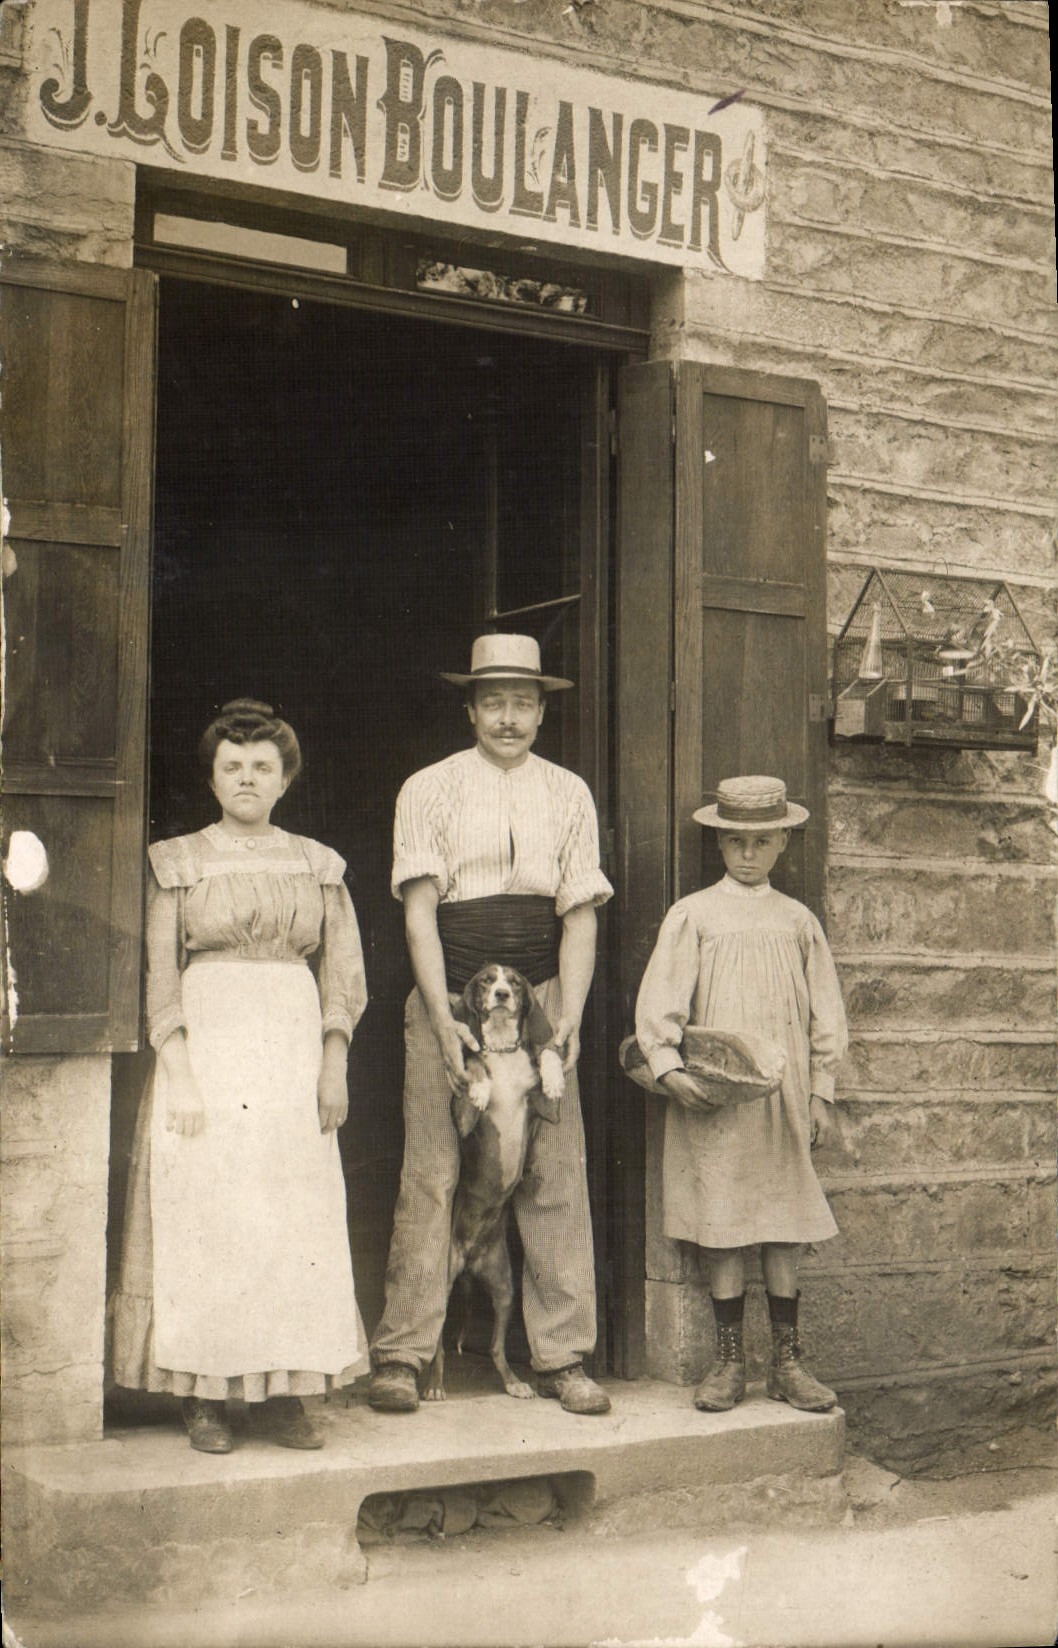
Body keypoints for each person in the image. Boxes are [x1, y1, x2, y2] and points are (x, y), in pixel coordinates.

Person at [110, 699, 368, 1453]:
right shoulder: (177, 862)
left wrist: (334, 1064)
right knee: (211, 1219)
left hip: (291, 1060)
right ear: (212, 779)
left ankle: (285, 1394)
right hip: (212, 1057)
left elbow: (344, 979)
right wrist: (180, 1074)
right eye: (233, 767)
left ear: (285, 779)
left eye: (263, 767)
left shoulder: (318, 866)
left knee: (292, 1221)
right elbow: (160, 977)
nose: (247, 779)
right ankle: (207, 1398)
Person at [368, 634, 613, 1416]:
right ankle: (404, 1355)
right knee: (434, 1171)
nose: (509, 718)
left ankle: (562, 1356)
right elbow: (419, 918)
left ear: (542, 712)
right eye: (494, 703)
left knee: (554, 1174)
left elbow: (579, 915)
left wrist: (566, 1018)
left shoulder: (570, 793)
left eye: (524, 704)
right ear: (471, 708)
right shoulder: (428, 788)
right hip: (452, 998)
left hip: (537, 998)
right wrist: (441, 1017)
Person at [634, 775, 847, 1413]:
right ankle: (727, 1363)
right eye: (735, 842)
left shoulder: (797, 922)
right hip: (718, 1100)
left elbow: (826, 1016)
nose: (748, 854)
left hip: (781, 1099)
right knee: (722, 1226)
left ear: (782, 841)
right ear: (719, 842)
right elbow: (660, 1005)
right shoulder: (693, 915)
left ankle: (786, 1362)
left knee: (784, 1227)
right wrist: (669, 1069)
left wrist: (822, 1092)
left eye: (761, 841)